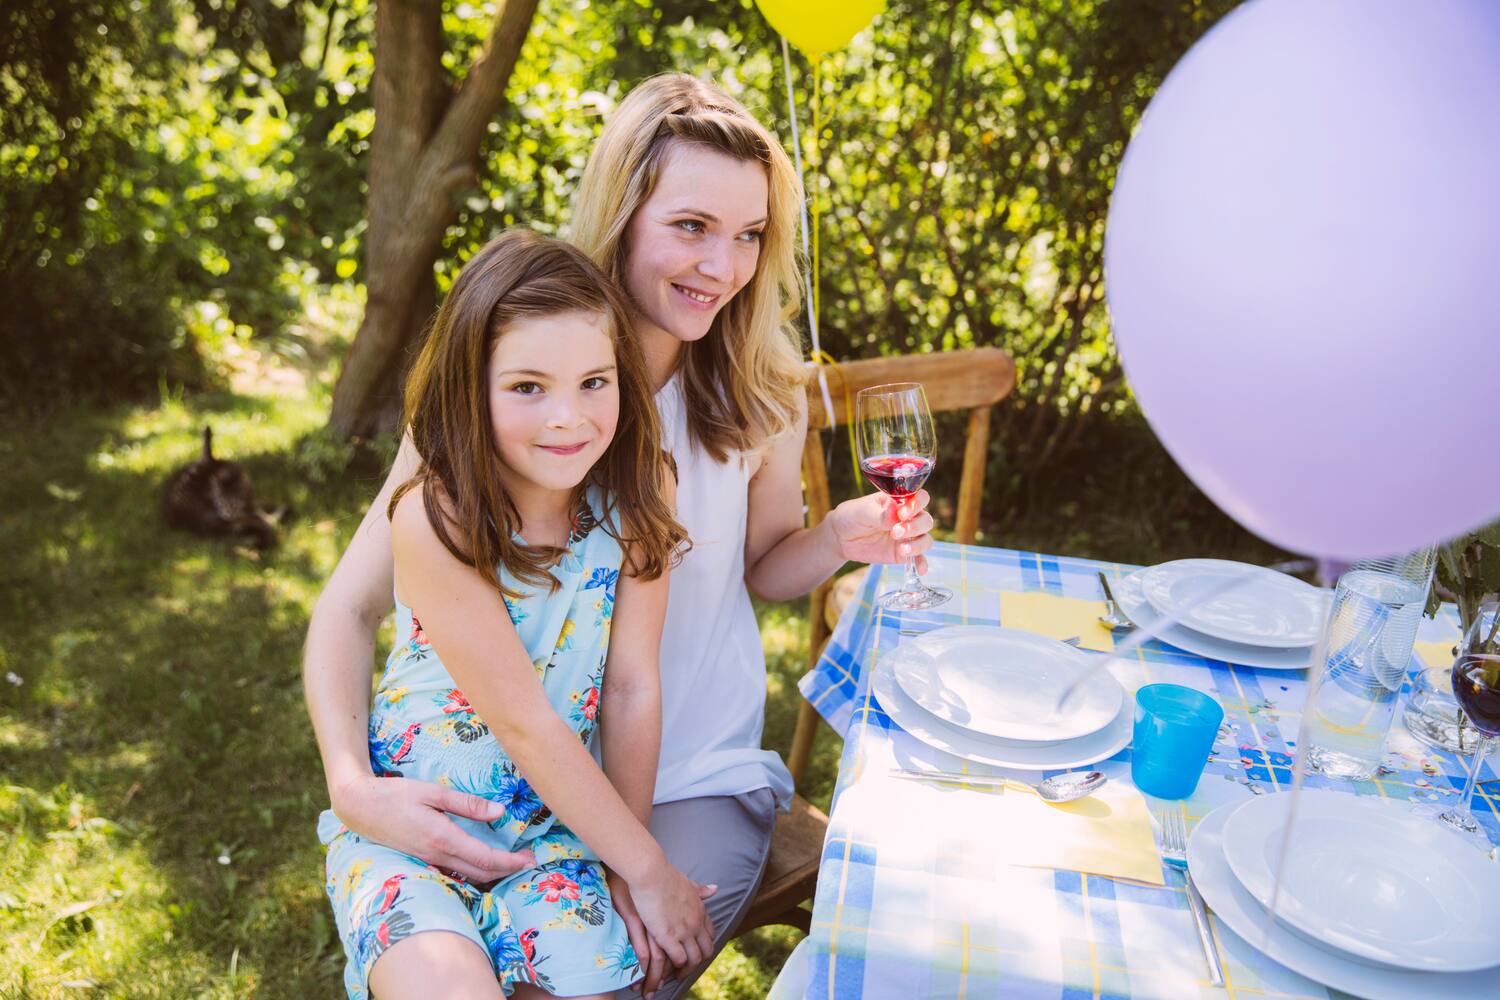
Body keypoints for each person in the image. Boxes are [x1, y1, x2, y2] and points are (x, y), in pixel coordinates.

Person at [303, 74, 935, 998]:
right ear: (623, 214)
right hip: (497, 766)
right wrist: (352, 786)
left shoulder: (760, 393)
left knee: (604, 979)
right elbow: (350, 608)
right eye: (692, 226)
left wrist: (839, 533)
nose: (722, 266)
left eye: (749, 235)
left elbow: (765, 569)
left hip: (684, 773)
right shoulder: (505, 377)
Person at [318, 229, 713, 1000]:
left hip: (557, 832)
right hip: (417, 827)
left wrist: (622, 860)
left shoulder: (641, 491)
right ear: (472, 389)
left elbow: (632, 685)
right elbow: (524, 721)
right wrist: (650, 868)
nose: (568, 418)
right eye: (528, 387)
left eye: (594, 382)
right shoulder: (438, 514)